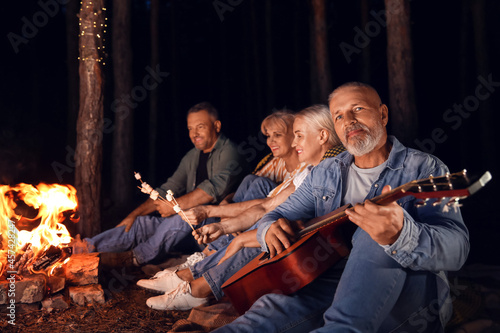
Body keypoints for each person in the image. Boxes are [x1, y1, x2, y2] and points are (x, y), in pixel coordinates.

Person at [212, 82, 470, 332]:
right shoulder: (325, 171)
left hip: (405, 295)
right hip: (328, 282)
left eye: (357, 109)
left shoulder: (425, 169)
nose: (348, 120)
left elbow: (457, 248)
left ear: (382, 114)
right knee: (265, 314)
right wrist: (268, 229)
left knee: (370, 233)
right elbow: (277, 214)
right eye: (338, 116)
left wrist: (401, 234)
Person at [142, 105, 345, 311]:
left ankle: (198, 286)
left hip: (307, 250)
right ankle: (193, 275)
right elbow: (267, 205)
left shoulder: (333, 170)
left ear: (322, 136)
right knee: (259, 215)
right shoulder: (308, 171)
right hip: (279, 229)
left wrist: (237, 231)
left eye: (298, 136)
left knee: (267, 233)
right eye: (293, 136)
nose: (294, 143)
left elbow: (307, 222)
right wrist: (224, 228)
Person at [75, 102, 249, 267]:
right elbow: (166, 189)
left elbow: (211, 190)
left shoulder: (231, 153)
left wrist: (174, 207)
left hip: (216, 232)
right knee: (141, 224)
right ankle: (84, 248)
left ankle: (135, 258)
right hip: (189, 231)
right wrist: (134, 214)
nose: (194, 133)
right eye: (190, 128)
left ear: (217, 126)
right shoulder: (193, 156)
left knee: (185, 214)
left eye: (200, 127)